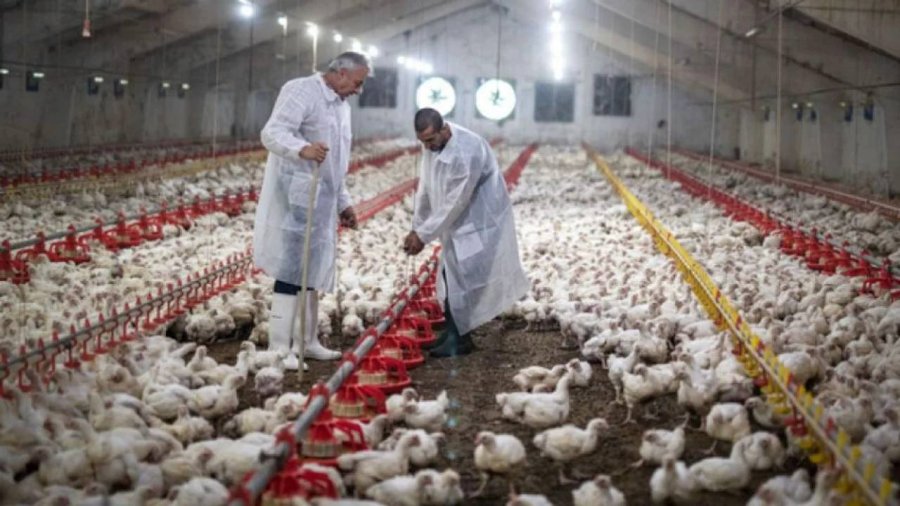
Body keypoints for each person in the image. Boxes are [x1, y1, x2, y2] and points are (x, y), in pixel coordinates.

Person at [253, 51, 370, 370]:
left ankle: (307, 341)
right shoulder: (301, 90)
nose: (359, 90)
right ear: (341, 73)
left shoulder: (342, 107)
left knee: (312, 269)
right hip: (297, 195)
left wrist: (344, 202)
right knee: (292, 269)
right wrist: (301, 149)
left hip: (324, 200)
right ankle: (280, 348)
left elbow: (336, 164)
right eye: (357, 82)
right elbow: (272, 132)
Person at [403, 108, 529, 357]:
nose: (426, 147)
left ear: (443, 129)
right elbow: (426, 188)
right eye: (422, 142)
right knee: (450, 274)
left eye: (430, 140)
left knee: (464, 277)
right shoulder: (433, 146)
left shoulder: (467, 150)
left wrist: (424, 235)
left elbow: (456, 201)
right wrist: (417, 227)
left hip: (478, 222)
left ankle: (460, 338)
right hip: (457, 222)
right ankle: (452, 331)